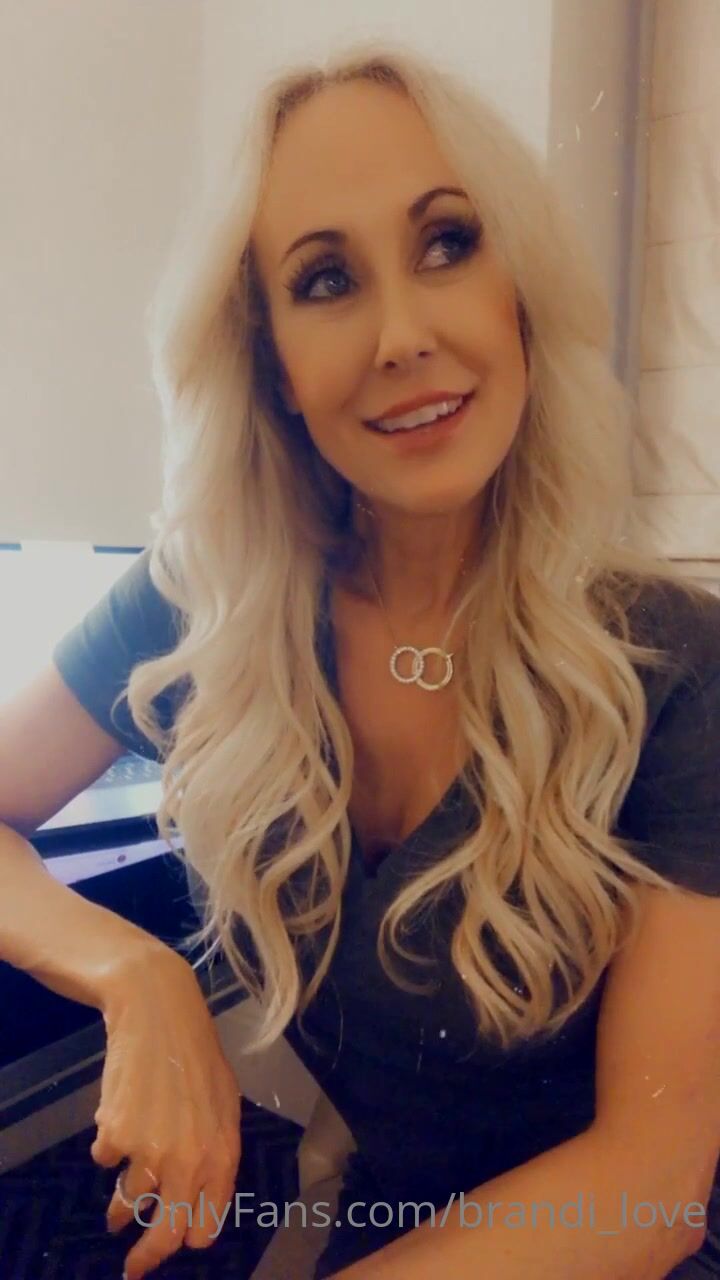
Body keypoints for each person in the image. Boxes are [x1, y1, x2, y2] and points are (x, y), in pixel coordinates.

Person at [1, 36, 719, 1280]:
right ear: (271, 362)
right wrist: (136, 974)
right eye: (326, 279)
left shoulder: (674, 666)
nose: (401, 334)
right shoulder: (205, 598)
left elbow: (652, 1183)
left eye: (448, 243)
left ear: (518, 293)